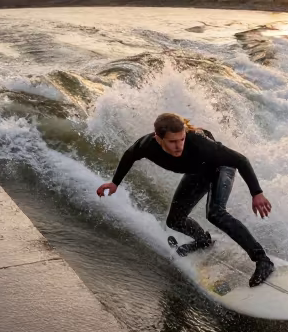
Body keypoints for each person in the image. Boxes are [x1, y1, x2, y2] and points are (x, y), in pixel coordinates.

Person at [96, 111, 275, 287]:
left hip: (221, 167)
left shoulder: (199, 144)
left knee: (215, 213)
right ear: (158, 139)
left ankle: (263, 260)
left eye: (181, 139)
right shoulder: (147, 145)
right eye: (172, 141)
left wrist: (256, 193)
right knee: (175, 220)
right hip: (198, 172)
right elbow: (130, 155)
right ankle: (203, 241)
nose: (179, 146)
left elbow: (240, 160)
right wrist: (114, 183)